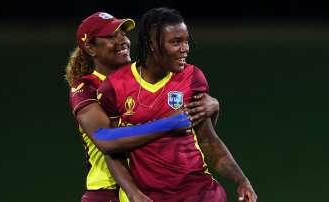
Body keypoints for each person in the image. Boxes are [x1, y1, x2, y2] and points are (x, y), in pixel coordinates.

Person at [97, 7, 257, 202]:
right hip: (151, 196)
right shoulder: (115, 87)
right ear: (152, 44)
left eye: (186, 41)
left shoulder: (192, 77)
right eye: (176, 42)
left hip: (199, 193)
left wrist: (241, 180)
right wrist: (133, 193)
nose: (185, 48)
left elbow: (208, 140)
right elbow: (113, 151)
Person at [65, 11, 220, 202]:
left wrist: (211, 108)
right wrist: (169, 123)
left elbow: (191, 135)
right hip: (108, 191)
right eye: (112, 36)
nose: (122, 40)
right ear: (90, 47)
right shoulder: (86, 88)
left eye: (123, 33)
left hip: (154, 189)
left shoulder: (142, 81)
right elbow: (105, 139)